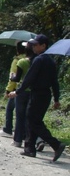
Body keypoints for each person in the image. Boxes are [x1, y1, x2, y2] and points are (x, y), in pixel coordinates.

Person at [8, 34, 65, 162]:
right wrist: (56, 99)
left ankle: (56, 144)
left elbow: (29, 78)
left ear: (43, 46)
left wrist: (17, 92)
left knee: (33, 121)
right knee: (33, 120)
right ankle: (30, 149)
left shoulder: (39, 60)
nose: (33, 47)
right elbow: (54, 82)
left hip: (37, 95)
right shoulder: (50, 61)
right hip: (45, 95)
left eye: (36, 45)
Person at [8, 42, 34, 148]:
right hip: (33, 92)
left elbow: (17, 78)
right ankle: (30, 139)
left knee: (20, 116)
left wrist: (11, 76)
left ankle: (17, 140)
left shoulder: (21, 62)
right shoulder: (37, 61)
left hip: (21, 91)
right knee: (30, 117)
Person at [0, 41, 26, 137]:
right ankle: (22, 132)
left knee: (10, 109)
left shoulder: (17, 61)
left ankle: (8, 129)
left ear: (17, 50)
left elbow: (13, 78)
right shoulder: (32, 59)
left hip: (17, 89)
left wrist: (8, 90)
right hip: (29, 90)